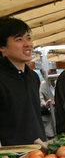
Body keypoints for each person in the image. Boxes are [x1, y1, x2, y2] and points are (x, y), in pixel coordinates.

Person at [0, 16, 46, 145]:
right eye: (19, 39)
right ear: (2, 47)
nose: (28, 44)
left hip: (37, 153)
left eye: (28, 38)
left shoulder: (33, 77)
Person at [40, 68, 57, 139]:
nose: (54, 73)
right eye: (51, 71)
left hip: (60, 123)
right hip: (49, 125)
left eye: (55, 70)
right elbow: (40, 107)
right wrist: (46, 106)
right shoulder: (41, 89)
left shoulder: (59, 86)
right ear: (44, 74)